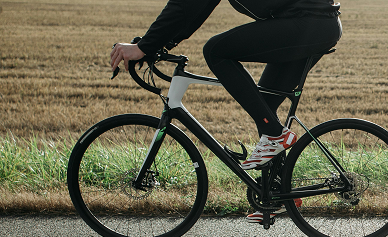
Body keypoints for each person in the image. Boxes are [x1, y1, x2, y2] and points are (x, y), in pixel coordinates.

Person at [110, 0, 341, 223]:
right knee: (265, 106)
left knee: (215, 50)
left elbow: (186, 6)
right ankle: (278, 194)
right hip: (313, 23)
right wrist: (155, 45)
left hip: (308, 23)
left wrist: (144, 47)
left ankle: (275, 134)